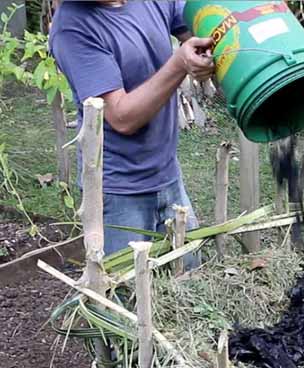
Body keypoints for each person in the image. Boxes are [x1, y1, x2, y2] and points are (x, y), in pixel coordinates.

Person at [49, 0, 214, 259]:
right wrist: (180, 63)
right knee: (127, 295)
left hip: (168, 174)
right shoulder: (71, 27)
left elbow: (202, 27)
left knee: (189, 284)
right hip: (118, 192)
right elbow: (122, 116)